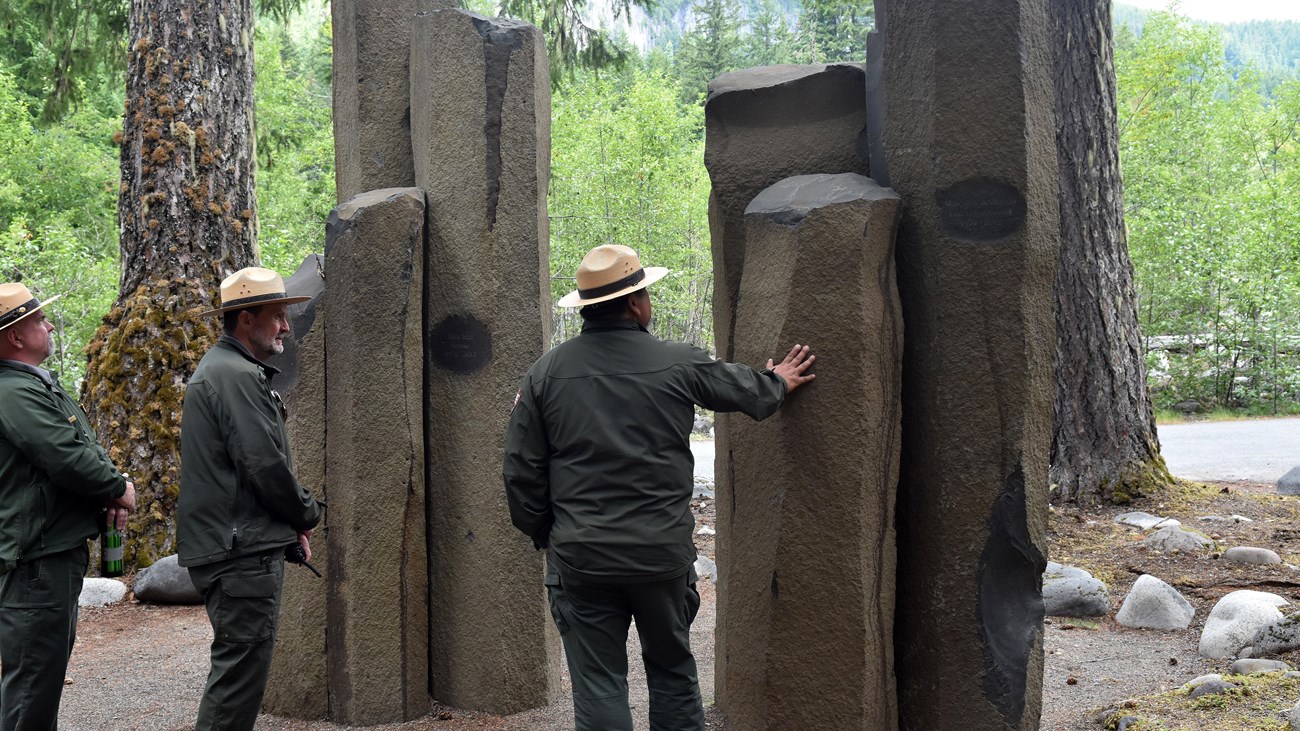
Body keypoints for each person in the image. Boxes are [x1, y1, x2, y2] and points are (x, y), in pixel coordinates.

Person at [503, 244, 815, 731]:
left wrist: (550, 533)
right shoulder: (678, 362)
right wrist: (776, 381)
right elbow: (749, 391)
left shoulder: (544, 373)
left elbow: (521, 471)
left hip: (581, 557)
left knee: (599, 685)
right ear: (634, 303)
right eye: (646, 294)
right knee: (672, 675)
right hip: (661, 556)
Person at [177, 267, 322, 731]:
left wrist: (288, 524)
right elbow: (263, 464)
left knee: (239, 675)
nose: (285, 326)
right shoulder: (235, 375)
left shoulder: (228, 370)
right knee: (237, 683)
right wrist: (305, 512)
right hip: (239, 552)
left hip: (238, 543)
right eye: (277, 315)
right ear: (245, 319)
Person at [0, 282, 136, 730]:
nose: (50, 324)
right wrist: (117, 488)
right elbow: (65, 456)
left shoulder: (34, 385)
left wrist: (107, 492)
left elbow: (81, 447)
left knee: (42, 676)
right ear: (15, 336)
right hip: (36, 559)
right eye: (39, 320)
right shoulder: (13, 392)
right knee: (32, 685)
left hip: (51, 552)